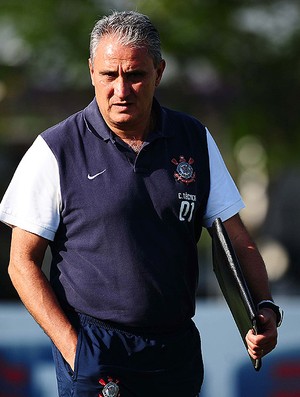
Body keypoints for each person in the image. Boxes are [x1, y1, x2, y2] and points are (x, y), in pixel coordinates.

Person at [0, 10, 282, 397]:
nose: (121, 89)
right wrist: (75, 349)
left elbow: (235, 239)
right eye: (109, 75)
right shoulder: (55, 149)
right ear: (90, 71)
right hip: (97, 348)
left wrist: (263, 306)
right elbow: (21, 263)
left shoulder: (193, 138)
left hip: (177, 349)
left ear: (159, 72)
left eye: (135, 75)